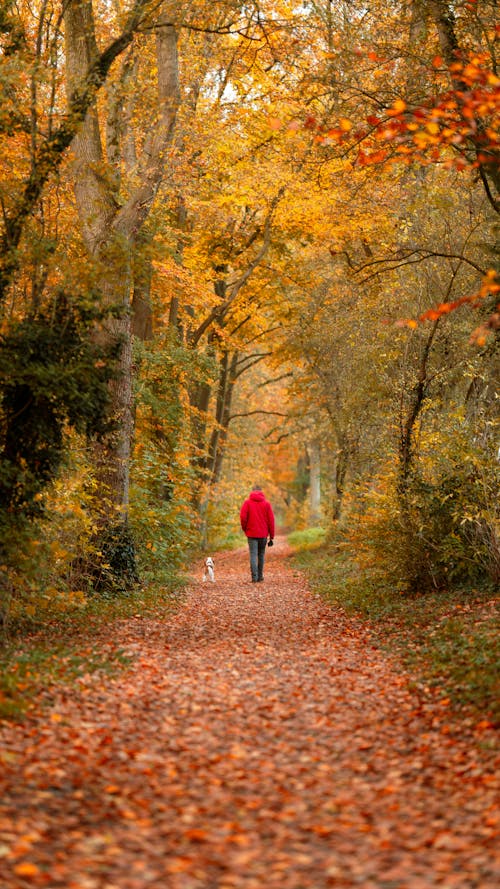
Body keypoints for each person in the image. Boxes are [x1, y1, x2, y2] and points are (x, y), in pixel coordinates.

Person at [240, 485, 275, 582]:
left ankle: (254, 577)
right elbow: (271, 521)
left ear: (252, 491)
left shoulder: (247, 503)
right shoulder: (266, 504)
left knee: (253, 554)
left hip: (251, 534)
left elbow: (243, 517)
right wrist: (271, 536)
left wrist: (245, 529)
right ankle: (260, 576)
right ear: (261, 492)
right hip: (263, 534)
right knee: (261, 555)